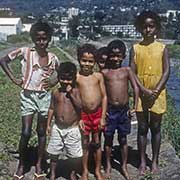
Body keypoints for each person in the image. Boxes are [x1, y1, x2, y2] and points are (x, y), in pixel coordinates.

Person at [0, 21, 59, 180]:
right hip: (27, 96)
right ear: (33, 39)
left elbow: (62, 72)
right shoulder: (25, 52)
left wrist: (53, 82)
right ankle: (22, 165)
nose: (41, 42)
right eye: (38, 39)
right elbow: (3, 60)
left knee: (41, 132)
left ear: (49, 39)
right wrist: (13, 78)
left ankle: (39, 165)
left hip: (44, 97)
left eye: (44, 39)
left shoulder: (53, 58)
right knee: (26, 132)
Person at [129, 11, 170, 175]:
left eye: (151, 26)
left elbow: (167, 71)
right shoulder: (135, 48)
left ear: (157, 28)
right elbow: (132, 72)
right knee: (142, 128)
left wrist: (156, 90)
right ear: (140, 28)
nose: (148, 30)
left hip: (158, 94)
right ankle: (142, 162)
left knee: (156, 127)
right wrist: (144, 90)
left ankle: (155, 161)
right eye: (144, 27)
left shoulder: (162, 48)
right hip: (141, 93)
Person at [102, 40, 139, 180]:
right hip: (110, 111)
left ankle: (123, 165)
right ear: (109, 56)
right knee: (108, 139)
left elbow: (135, 88)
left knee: (123, 139)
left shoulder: (127, 70)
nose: (116, 59)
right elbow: (102, 92)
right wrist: (103, 108)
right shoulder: (105, 72)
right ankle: (108, 166)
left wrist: (134, 107)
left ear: (123, 56)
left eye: (118, 56)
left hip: (124, 110)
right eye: (113, 56)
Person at [46, 62, 82, 180]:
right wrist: (48, 125)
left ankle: (72, 173)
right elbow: (51, 108)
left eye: (68, 79)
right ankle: (52, 173)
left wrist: (71, 94)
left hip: (72, 128)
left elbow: (80, 106)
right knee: (54, 153)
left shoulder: (76, 92)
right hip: (57, 127)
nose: (65, 82)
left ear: (74, 78)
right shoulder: (56, 92)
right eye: (63, 78)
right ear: (58, 77)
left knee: (74, 155)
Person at [76, 44, 107, 180]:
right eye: (84, 60)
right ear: (79, 60)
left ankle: (97, 170)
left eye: (90, 61)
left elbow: (104, 96)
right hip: (83, 115)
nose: (87, 64)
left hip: (97, 114)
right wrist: (79, 118)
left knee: (97, 142)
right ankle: (84, 171)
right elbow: (73, 98)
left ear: (94, 62)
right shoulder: (76, 77)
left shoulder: (98, 76)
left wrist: (103, 117)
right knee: (85, 143)